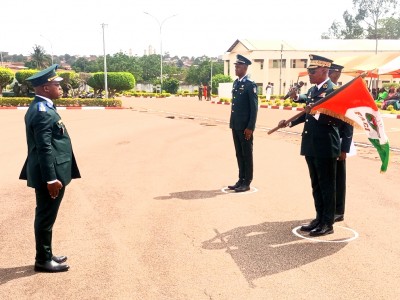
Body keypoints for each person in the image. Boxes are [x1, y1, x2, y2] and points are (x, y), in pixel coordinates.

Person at [19, 64, 81, 272]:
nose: (61, 88)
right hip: (50, 174)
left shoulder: (43, 106)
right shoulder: (42, 111)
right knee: (45, 216)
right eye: (57, 84)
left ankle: (46, 253)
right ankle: (42, 260)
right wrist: (50, 179)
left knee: (47, 216)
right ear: (46, 88)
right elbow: (44, 148)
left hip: (52, 170)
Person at [278, 54, 341, 236]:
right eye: (309, 71)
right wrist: (288, 123)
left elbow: (337, 119)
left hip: (326, 145)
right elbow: (306, 113)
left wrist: (315, 112)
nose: (310, 75)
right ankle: (319, 217)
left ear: (324, 71)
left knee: (327, 185)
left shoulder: (334, 91)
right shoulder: (314, 91)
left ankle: (327, 223)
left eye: (312, 71)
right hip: (312, 144)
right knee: (316, 184)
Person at [227, 54, 258, 192]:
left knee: (247, 153)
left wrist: (250, 127)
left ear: (245, 68)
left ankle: (247, 181)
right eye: (235, 66)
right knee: (239, 153)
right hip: (236, 125)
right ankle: (241, 179)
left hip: (245, 127)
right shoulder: (236, 83)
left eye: (238, 66)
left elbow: (254, 108)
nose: (236, 68)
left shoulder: (250, 85)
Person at [329, 63, 354, 222]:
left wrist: (344, 148)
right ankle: (329, 209)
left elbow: (348, 123)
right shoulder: (326, 92)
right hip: (327, 142)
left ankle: (339, 211)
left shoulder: (341, 93)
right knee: (328, 177)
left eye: (335, 73)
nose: (334, 75)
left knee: (338, 177)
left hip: (338, 141)